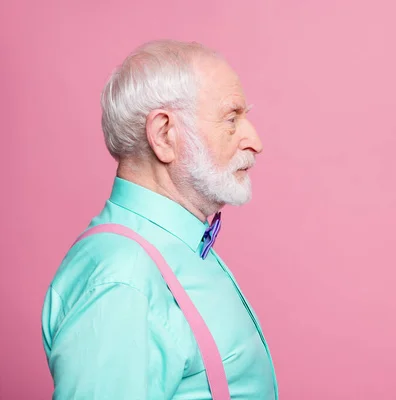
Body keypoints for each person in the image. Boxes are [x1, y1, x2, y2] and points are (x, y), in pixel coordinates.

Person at [41, 39, 278, 399]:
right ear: (165, 134)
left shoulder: (179, 247)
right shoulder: (125, 280)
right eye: (232, 118)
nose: (255, 141)